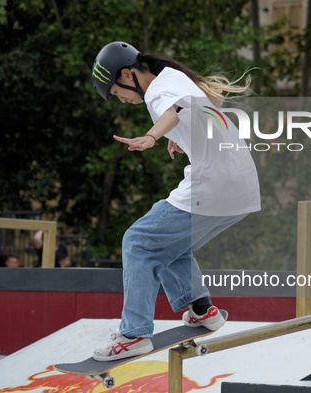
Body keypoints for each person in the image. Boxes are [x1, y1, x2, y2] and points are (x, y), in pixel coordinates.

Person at [90, 41, 260, 361]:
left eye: (115, 92)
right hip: (241, 187)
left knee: (139, 242)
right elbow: (191, 114)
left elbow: (170, 111)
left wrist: (152, 136)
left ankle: (134, 334)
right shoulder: (174, 78)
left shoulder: (157, 89)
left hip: (214, 185)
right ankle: (201, 310)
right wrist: (181, 139)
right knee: (169, 243)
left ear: (127, 75)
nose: (121, 100)